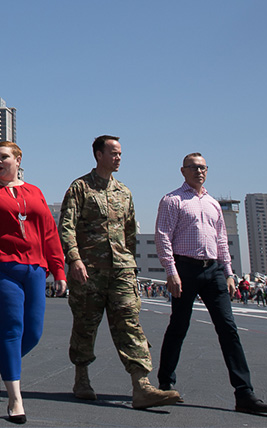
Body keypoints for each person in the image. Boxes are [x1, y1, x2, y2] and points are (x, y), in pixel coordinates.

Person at [58, 135, 180, 409]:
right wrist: (74, 259)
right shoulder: (80, 188)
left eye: (120, 153)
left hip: (122, 270)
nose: (118, 158)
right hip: (89, 271)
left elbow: (130, 232)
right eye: (113, 153)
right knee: (85, 325)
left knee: (130, 323)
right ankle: (82, 378)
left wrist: (130, 264)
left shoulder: (124, 192)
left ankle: (142, 386)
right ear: (98, 155)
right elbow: (66, 225)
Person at [155, 152, 267, 414]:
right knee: (179, 326)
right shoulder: (173, 200)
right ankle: (165, 385)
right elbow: (163, 237)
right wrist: (171, 271)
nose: (199, 171)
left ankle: (244, 394)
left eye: (203, 167)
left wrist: (229, 272)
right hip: (185, 268)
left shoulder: (213, 204)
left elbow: (221, 241)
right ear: (183, 171)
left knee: (229, 329)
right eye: (193, 167)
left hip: (214, 270)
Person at [0, 142, 66, 424]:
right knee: (10, 330)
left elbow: (50, 233)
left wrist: (59, 270)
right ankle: (15, 400)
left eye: (4, 157)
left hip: (34, 269)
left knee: (32, 333)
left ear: (18, 160)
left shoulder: (35, 192)